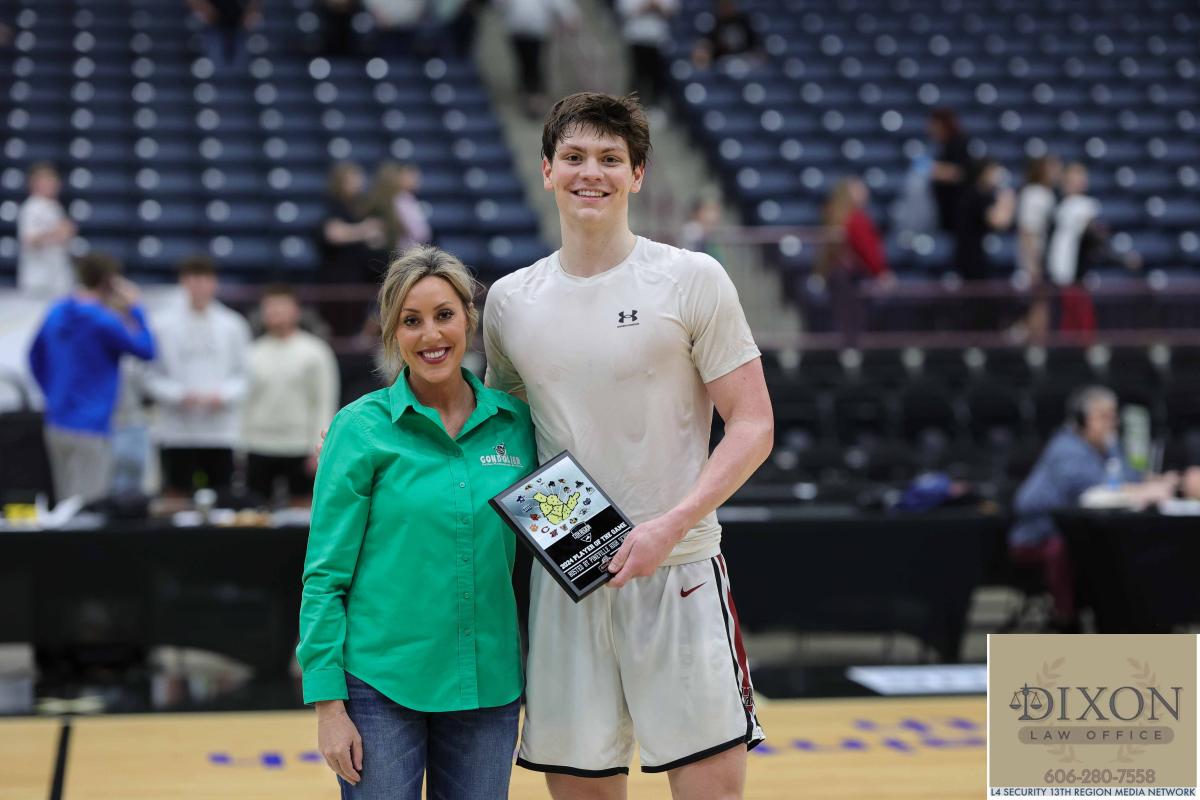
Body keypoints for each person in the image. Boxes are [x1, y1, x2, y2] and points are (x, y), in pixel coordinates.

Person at [483, 92, 773, 798]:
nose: (592, 173)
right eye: (575, 157)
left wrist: (670, 523)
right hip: (568, 579)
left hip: (681, 569)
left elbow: (753, 424)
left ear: (637, 175)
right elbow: (505, 439)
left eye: (611, 159)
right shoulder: (510, 301)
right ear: (547, 170)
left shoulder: (692, 278)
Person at [298, 246, 537, 798]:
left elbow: (572, 536)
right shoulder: (360, 430)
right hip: (380, 687)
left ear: (468, 320)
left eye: (444, 315)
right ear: (392, 333)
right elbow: (324, 576)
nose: (431, 335)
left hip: (487, 686)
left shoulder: (517, 427)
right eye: (411, 321)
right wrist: (329, 705)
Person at [1010, 386, 1183, 630]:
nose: (1112, 423)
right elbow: (1093, 490)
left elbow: (1128, 478)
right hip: (1041, 533)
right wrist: (1143, 491)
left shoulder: (1109, 446)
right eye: (1103, 416)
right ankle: (1068, 619)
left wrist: (1161, 481)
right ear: (1082, 419)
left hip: (1086, 534)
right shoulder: (1066, 447)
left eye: (1113, 416)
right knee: (1096, 555)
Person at [28, 253, 156, 504]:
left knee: (65, 503)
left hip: (56, 420)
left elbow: (34, 358)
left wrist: (52, 394)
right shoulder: (104, 321)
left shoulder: (56, 311)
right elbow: (146, 349)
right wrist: (136, 308)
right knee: (88, 508)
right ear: (110, 282)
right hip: (92, 425)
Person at [144, 256, 251, 495]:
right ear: (183, 282)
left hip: (220, 431)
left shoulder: (233, 324)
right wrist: (179, 395)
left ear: (214, 283)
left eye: (205, 279)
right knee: (177, 496)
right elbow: (150, 375)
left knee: (221, 497)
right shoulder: (161, 324)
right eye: (193, 278)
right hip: (176, 431)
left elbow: (244, 375)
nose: (199, 285)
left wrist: (222, 395)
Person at [243, 285, 339, 504]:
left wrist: (318, 449)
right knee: (255, 512)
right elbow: (244, 404)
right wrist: (242, 445)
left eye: (282, 306)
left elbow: (324, 401)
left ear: (296, 311)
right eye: (270, 307)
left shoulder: (316, 352)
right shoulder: (251, 353)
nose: (276, 312)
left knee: (302, 510)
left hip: (300, 446)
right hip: (258, 446)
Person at [815, 177, 892, 345]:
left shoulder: (835, 215)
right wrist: (880, 271)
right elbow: (867, 248)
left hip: (837, 275)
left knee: (844, 318)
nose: (865, 192)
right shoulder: (854, 219)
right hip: (848, 276)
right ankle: (852, 351)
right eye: (859, 189)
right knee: (852, 320)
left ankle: (847, 349)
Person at [1011, 156, 1061, 343]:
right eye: (1052, 169)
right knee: (1037, 305)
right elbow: (1027, 231)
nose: (1057, 173)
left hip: (1045, 258)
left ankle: (1034, 343)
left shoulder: (1046, 194)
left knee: (1041, 304)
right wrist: (1032, 264)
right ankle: (1024, 342)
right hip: (1035, 259)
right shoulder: (1034, 194)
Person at [18, 162, 77, 298]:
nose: (51, 185)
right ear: (34, 184)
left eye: (53, 181)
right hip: (39, 280)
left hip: (59, 277)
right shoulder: (31, 208)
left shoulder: (55, 206)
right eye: (46, 181)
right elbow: (29, 239)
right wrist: (57, 232)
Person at [953, 159, 1015, 283]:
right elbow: (1000, 222)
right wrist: (1007, 197)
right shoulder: (976, 195)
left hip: (976, 255)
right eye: (993, 172)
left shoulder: (981, 194)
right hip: (971, 257)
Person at [616, 0, 677, 108]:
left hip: (658, 39)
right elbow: (624, 10)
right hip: (636, 37)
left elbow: (671, 11)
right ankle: (629, 106)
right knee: (637, 74)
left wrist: (657, 6)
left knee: (656, 76)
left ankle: (654, 106)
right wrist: (646, 6)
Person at [367, 162, 433, 255]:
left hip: (412, 249)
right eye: (410, 176)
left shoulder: (406, 198)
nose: (416, 180)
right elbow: (417, 232)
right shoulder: (398, 199)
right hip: (403, 251)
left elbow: (422, 233)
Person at [927, 108, 971, 233]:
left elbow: (959, 172)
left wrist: (934, 170)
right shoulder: (941, 145)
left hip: (958, 209)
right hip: (944, 208)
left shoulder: (959, 143)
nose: (929, 129)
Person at [186, 0, 261, 70]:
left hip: (240, 24)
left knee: (241, 65)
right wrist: (203, 8)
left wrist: (251, 10)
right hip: (214, 24)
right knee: (216, 65)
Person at [691, 0, 760, 68]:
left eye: (728, 4)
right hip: (723, 61)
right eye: (723, 5)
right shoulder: (716, 24)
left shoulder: (744, 21)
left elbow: (755, 43)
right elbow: (709, 43)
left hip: (745, 58)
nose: (726, 8)